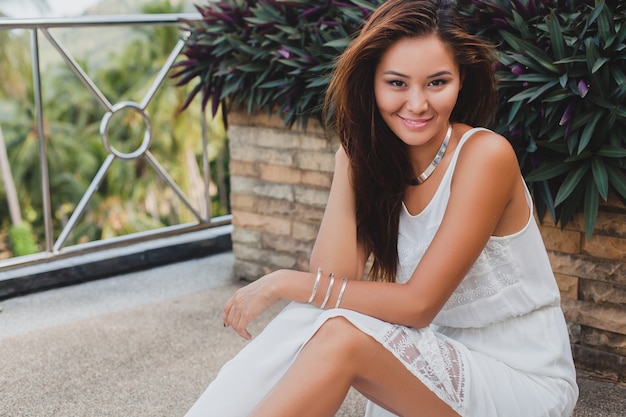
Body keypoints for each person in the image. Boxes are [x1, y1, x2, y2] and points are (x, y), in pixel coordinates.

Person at [184, 0, 579, 415]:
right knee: (318, 323)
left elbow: (418, 306)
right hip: (435, 361)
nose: (417, 104)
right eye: (396, 84)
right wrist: (349, 156)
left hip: (518, 378)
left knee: (340, 335)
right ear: (370, 84)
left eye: (436, 83)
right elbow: (334, 280)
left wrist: (283, 281)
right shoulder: (382, 165)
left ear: (461, 80)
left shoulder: (484, 156)